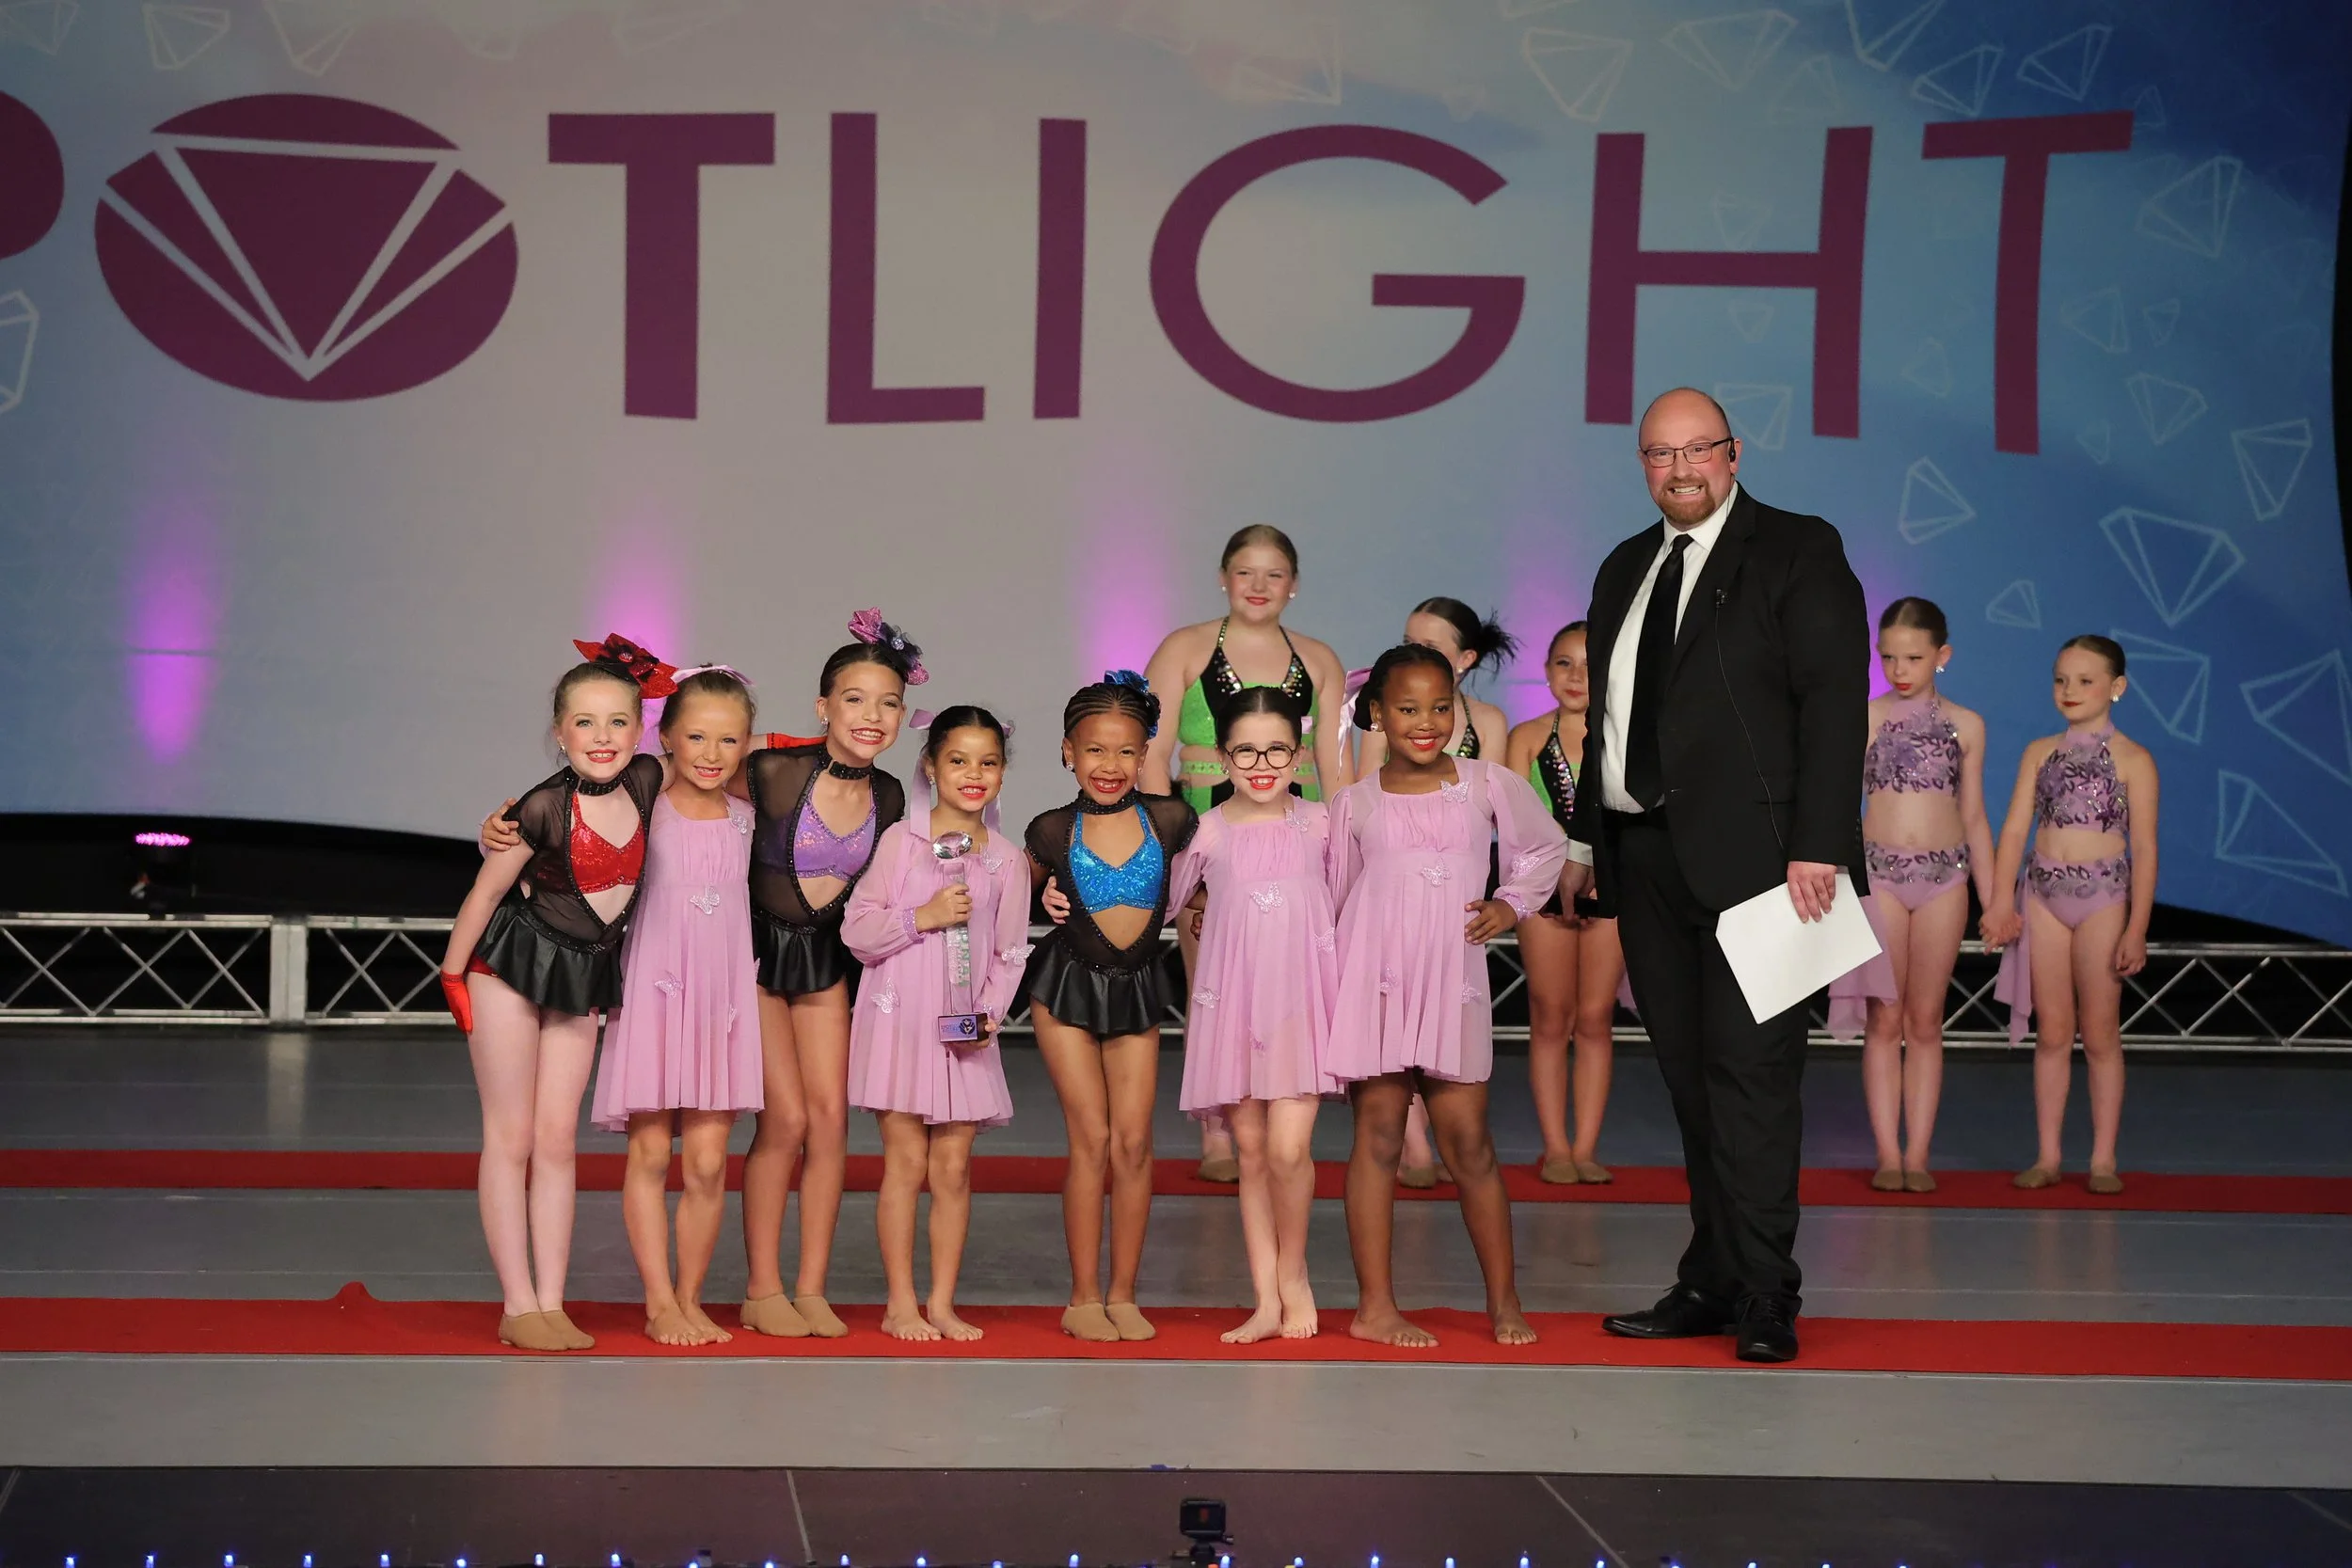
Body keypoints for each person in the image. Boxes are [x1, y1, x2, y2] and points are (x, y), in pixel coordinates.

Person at [1558, 387, 1868, 1365]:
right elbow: (1608, 722)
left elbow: (1833, 701)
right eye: (1661, 453)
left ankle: (1769, 1290)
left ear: (1733, 455)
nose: (1680, 469)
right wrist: (1584, 841)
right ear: (1642, 465)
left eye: (1698, 450)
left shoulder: (1797, 548)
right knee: (1690, 1081)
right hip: (1644, 854)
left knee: (1753, 1077)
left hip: (1769, 865)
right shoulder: (1624, 565)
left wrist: (1820, 841)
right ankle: (1714, 1276)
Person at [1327, 643, 1565, 1348]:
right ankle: (1375, 1307)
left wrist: (1511, 904)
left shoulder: (1488, 784)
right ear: (1378, 714)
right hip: (1375, 984)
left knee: (1471, 1144)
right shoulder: (1353, 804)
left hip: (1451, 983)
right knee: (1377, 1138)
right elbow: (1335, 898)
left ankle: (1505, 1300)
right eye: (1408, 708)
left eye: (1440, 707)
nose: (1426, 722)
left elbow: (1544, 847)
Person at [440, 637, 667, 1353]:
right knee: (511, 1136)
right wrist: (452, 975)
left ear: (641, 729)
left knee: (558, 1140)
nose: (603, 737)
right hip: (507, 968)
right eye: (585, 722)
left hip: (580, 973)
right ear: (559, 731)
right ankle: (518, 1303)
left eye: (618, 721)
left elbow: (730, 740)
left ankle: (551, 1299)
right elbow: (486, 893)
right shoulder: (540, 806)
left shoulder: (648, 780)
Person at [1140, 524, 1347, 1184]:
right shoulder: (1185, 647)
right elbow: (1152, 752)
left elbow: (1333, 765)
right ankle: (1219, 1124)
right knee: (1214, 972)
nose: (1259, 586)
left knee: (1290, 973)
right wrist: (1175, 843)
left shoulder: (1318, 658)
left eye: (1274, 573)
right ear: (1223, 577)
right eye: (1246, 572)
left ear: (1295, 584)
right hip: (1209, 826)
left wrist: (1346, 847)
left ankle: (1282, 1108)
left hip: (1297, 831)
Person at [736, 611, 916, 1338]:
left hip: (824, 960)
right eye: (855, 699)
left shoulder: (893, 796)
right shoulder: (773, 772)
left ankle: (811, 1287)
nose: (872, 716)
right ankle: (762, 1287)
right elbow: (679, 768)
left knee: (832, 1121)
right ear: (823, 707)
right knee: (785, 1118)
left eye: (888, 703)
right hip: (755, 956)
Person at [841, 705, 1032, 1342]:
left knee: (952, 1168)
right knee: (905, 1162)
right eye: (958, 760)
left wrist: (989, 1014)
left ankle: (942, 1301)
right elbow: (857, 929)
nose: (973, 774)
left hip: (963, 1029)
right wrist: (920, 916)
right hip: (900, 1019)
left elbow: (1010, 951)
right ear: (930, 766)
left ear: (1002, 772)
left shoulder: (1007, 860)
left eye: (988, 762)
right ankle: (900, 1302)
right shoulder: (903, 842)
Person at [590, 666, 765, 1347]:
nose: (711, 753)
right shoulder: (643, 807)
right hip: (657, 991)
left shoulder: (747, 819)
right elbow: (565, 816)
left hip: (721, 1001)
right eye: (695, 736)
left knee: (709, 1162)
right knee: (650, 1153)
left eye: (728, 739)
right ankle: (658, 1300)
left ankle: (691, 1297)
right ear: (664, 736)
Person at [1162, 686, 1340, 1342]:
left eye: (1277, 750)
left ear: (1299, 754)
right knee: (1255, 1152)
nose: (1262, 765)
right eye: (1245, 751)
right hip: (1235, 1006)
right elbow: (1162, 900)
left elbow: (1351, 900)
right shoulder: (1206, 831)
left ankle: (1295, 1275)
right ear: (1221, 756)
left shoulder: (1323, 824)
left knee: (1291, 1150)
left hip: (1301, 1004)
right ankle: (1266, 1299)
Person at [1025, 673, 1199, 1342]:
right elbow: (1005, 898)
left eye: (1127, 750)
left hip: (1136, 985)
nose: (1111, 765)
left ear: (1146, 752)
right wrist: (1039, 896)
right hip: (1066, 984)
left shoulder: (1171, 819)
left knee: (1133, 1142)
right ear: (1068, 751)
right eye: (1095, 749)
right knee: (1092, 1138)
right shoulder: (1050, 829)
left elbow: (1209, 881)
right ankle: (1083, 1296)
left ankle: (1124, 1292)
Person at [1827, 598, 1995, 1193]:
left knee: (1926, 1020)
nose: (1900, 669)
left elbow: (1974, 816)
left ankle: (1918, 1154)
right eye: (1889, 657)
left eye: (1914, 658)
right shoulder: (1865, 718)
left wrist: (1995, 900)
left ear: (1942, 655)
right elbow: (1839, 806)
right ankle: (1887, 1154)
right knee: (1885, 1017)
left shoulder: (1967, 725)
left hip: (1946, 878)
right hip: (1879, 877)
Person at [1981, 636, 2158, 1196]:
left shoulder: (2134, 760)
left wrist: (2137, 927)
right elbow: (2015, 830)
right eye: (2061, 680)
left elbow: (2145, 847)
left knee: (2100, 1033)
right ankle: (2049, 1155)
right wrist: (1999, 901)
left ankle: (2103, 1159)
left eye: (2085, 681)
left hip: (2103, 899)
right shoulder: (2039, 752)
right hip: (2044, 897)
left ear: (2117, 687)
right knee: (2053, 1031)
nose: (2069, 690)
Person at [1356, 598, 1516, 1186]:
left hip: (1453, 903)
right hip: (1389, 903)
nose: (1416, 653)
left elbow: (1496, 814)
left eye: (1432, 646)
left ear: (1465, 659)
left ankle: (1435, 1138)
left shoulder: (1488, 726)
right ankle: (1413, 1143)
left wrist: (1508, 898)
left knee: (1445, 1033)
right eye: (1408, 641)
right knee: (1391, 1035)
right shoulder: (1385, 726)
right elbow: (1365, 797)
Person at [1502, 621, 1626, 1185]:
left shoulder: (1625, 739)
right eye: (1564, 663)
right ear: (1547, 672)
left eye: (1591, 665)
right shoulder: (1527, 737)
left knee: (1595, 1017)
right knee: (1551, 1015)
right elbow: (1512, 822)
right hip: (1542, 888)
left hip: (1611, 888)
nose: (1577, 677)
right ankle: (1555, 1146)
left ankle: (1587, 1147)